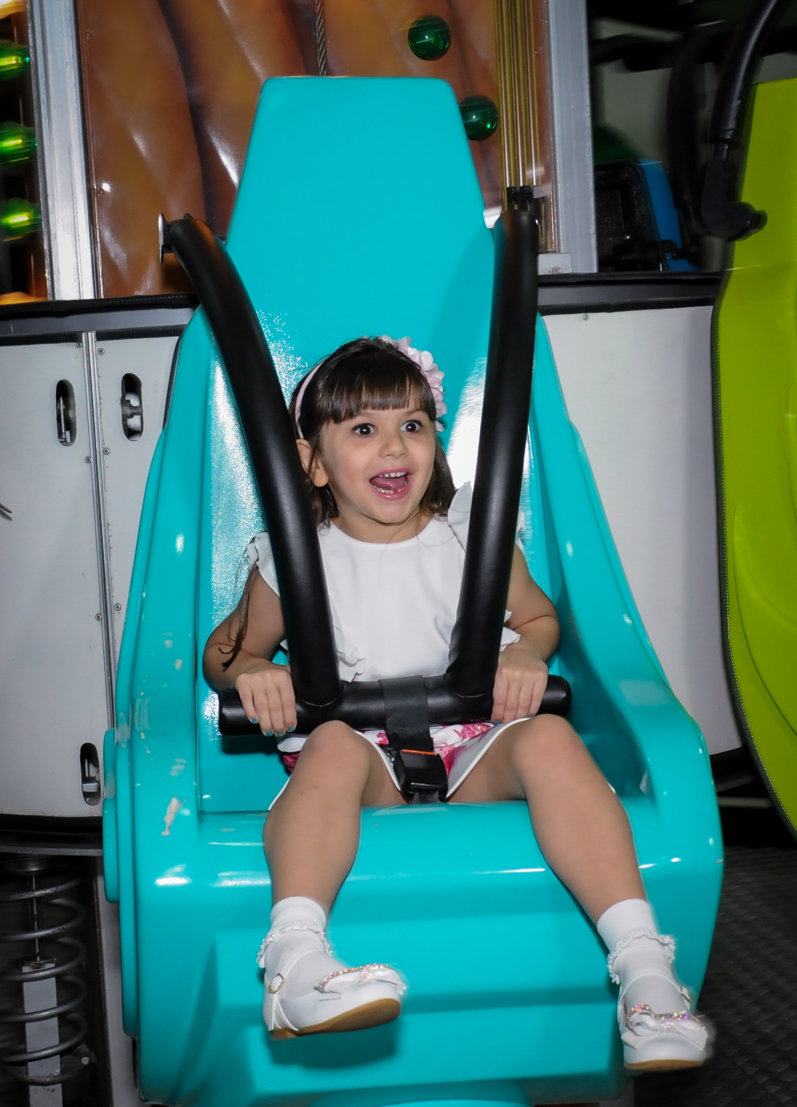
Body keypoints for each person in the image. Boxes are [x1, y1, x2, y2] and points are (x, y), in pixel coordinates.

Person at [203, 335, 711, 1069]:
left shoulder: (469, 540)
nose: (393, 449)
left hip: (470, 748)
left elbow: (538, 620)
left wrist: (524, 653)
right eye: (363, 430)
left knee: (547, 739)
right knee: (333, 746)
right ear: (312, 461)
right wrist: (253, 670)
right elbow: (226, 655)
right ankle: (296, 960)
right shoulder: (295, 558)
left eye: (412, 425)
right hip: (364, 762)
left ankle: (643, 970)